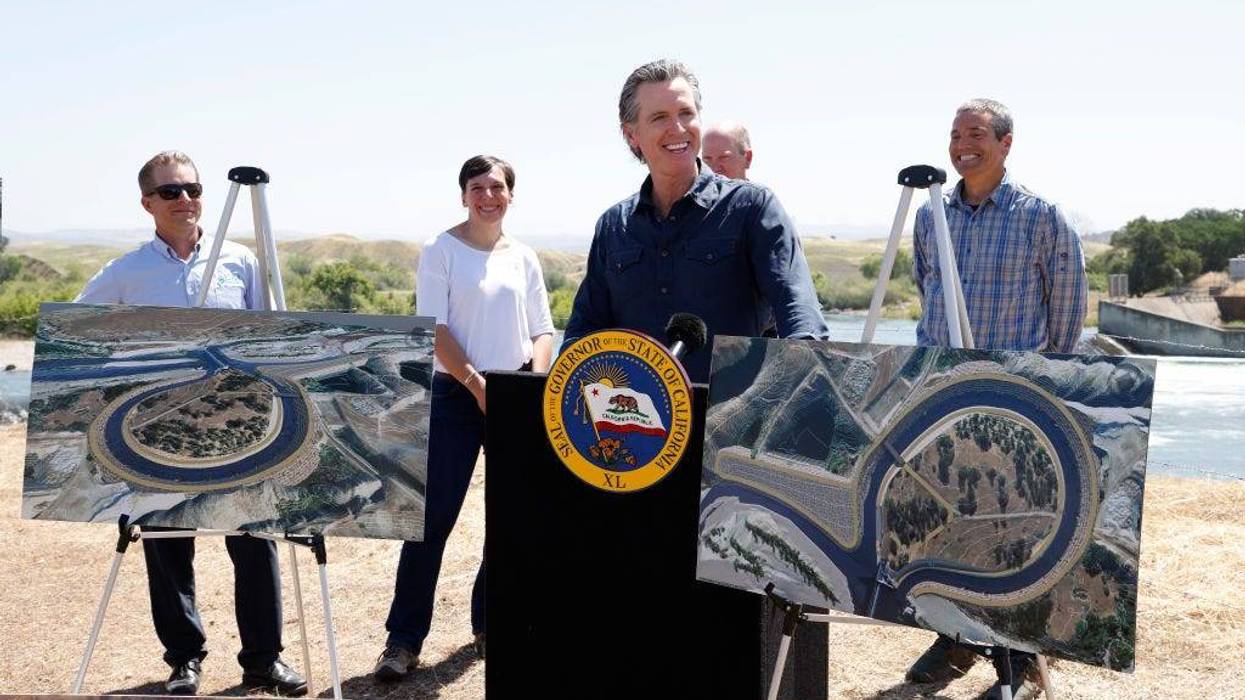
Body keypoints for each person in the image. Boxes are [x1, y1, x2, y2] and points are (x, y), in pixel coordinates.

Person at [76, 151, 306, 697]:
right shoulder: (126, 273)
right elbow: (79, 327)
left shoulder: (240, 260)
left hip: (239, 421)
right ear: (147, 203)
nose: (186, 200)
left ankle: (264, 660)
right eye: (172, 192)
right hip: (160, 428)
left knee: (254, 537)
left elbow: (270, 333)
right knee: (166, 542)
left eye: (193, 189)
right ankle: (184, 660)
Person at [908, 99, 1087, 700]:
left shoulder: (1043, 218)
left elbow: (1066, 312)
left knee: (1012, 530)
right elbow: (924, 286)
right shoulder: (932, 214)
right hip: (945, 394)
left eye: (977, 134)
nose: (963, 145)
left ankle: (1017, 658)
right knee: (947, 523)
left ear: (1006, 143)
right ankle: (956, 638)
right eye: (956, 134)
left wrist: (1047, 385)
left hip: (1016, 400)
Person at [373, 155, 555, 681]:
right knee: (431, 523)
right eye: (478, 187)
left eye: (497, 187)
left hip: (514, 395)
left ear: (511, 195)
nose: (488, 196)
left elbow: (542, 329)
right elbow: (433, 327)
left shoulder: (524, 256)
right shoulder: (441, 250)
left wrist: (526, 387)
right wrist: (477, 385)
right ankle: (402, 642)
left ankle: (490, 623)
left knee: (508, 521)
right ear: (464, 196)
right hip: (456, 396)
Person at [563, 59, 827, 384]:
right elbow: (582, 336)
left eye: (686, 114)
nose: (678, 129)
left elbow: (799, 314)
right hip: (633, 428)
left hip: (729, 426)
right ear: (631, 134)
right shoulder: (613, 227)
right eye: (660, 117)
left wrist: (800, 383)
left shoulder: (753, 208)